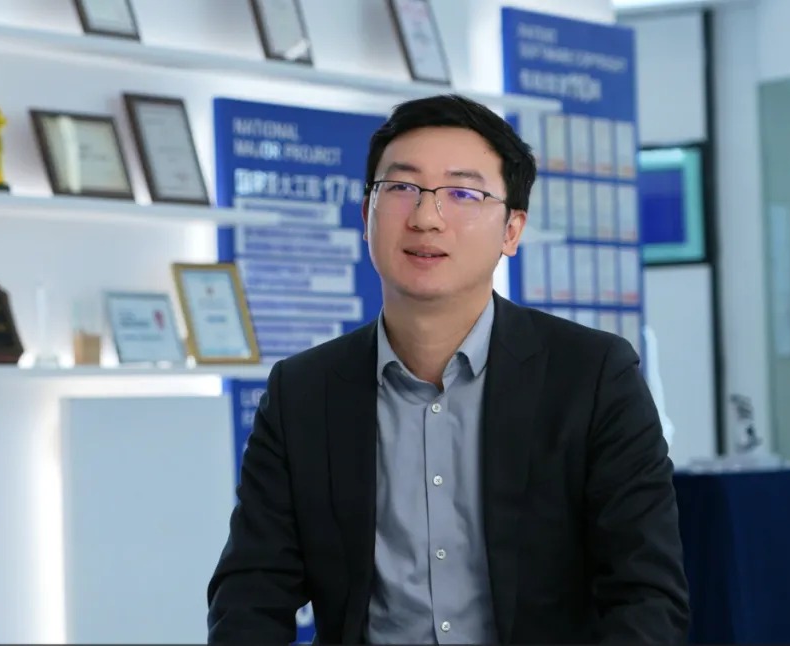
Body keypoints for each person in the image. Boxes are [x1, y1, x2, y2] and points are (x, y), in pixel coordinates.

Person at [207, 94, 690, 644]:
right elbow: (251, 594)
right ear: (366, 215)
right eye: (401, 188)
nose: (425, 217)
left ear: (511, 231)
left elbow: (647, 597)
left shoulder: (594, 377)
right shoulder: (302, 393)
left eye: (463, 193)